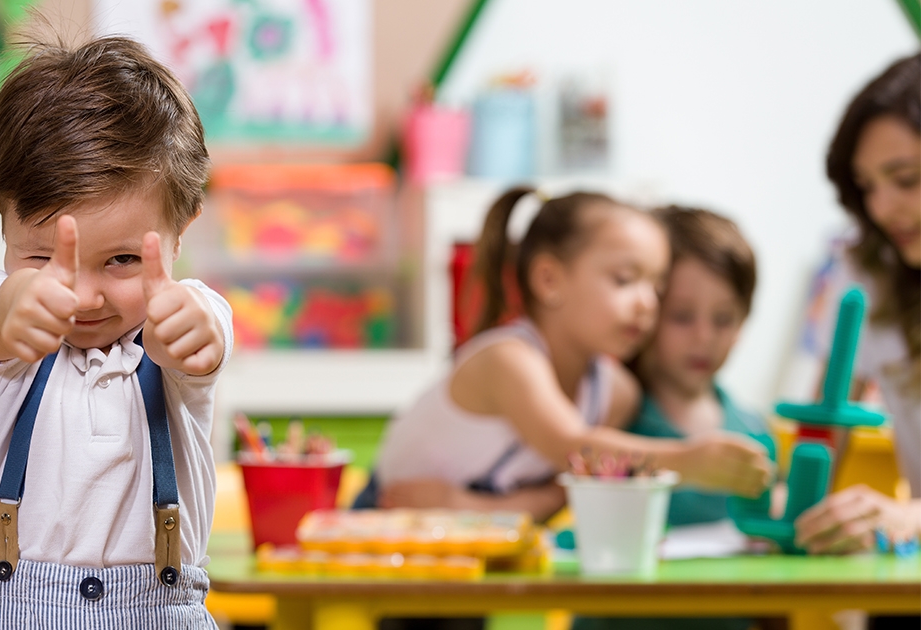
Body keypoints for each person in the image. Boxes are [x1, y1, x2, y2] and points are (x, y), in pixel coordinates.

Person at [0, 36, 231, 628]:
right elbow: (0, 318)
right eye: (44, 260)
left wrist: (183, 334)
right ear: (1, 217)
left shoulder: (186, 313)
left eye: (123, 260)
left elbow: (197, 339)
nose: (81, 295)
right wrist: (23, 303)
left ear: (181, 233)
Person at [374, 188, 772, 522]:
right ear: (549, 280)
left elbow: (562, 491)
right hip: (385, 518)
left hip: (472, 529)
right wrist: (687, 462)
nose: (647, 303)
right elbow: (573, 450)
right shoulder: (509, 360)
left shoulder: (617, 393)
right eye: (625, 280)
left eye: (657, 286)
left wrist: (466, 509)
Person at [572, 206, 767, 630]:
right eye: (681, 316)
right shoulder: (612, 415)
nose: (704, 337)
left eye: (724, 319)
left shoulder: (752, 432)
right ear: (645, 309)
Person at [793, 53, 921, 554]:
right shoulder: (868, 270)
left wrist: (904, 517)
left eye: (906, 179)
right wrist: (798, 504)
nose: (881, 208)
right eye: (867, 186)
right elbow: (825, 419)